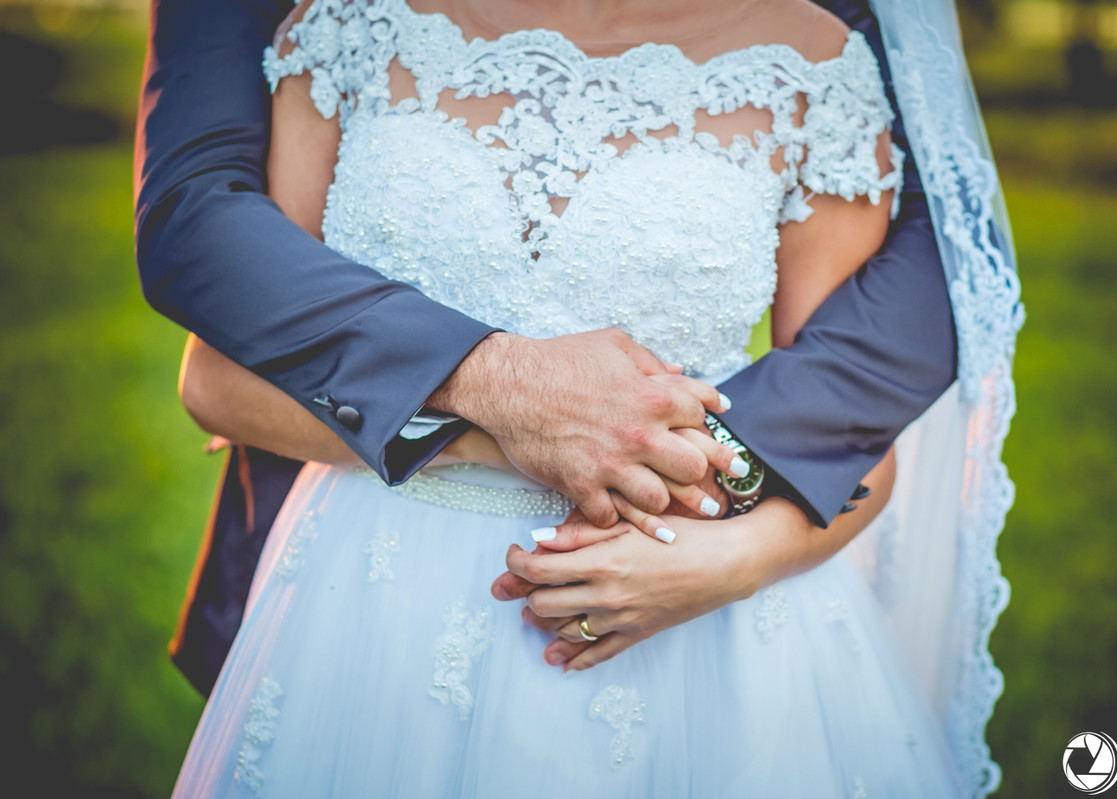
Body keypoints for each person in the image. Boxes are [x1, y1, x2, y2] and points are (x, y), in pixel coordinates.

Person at [157, 0, 1026, 795]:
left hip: (687, 616)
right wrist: (512, 424)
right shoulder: (350, 26)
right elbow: (220, 377)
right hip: (372, 606)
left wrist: (737, 559)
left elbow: (851, 438)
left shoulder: (814, 67)